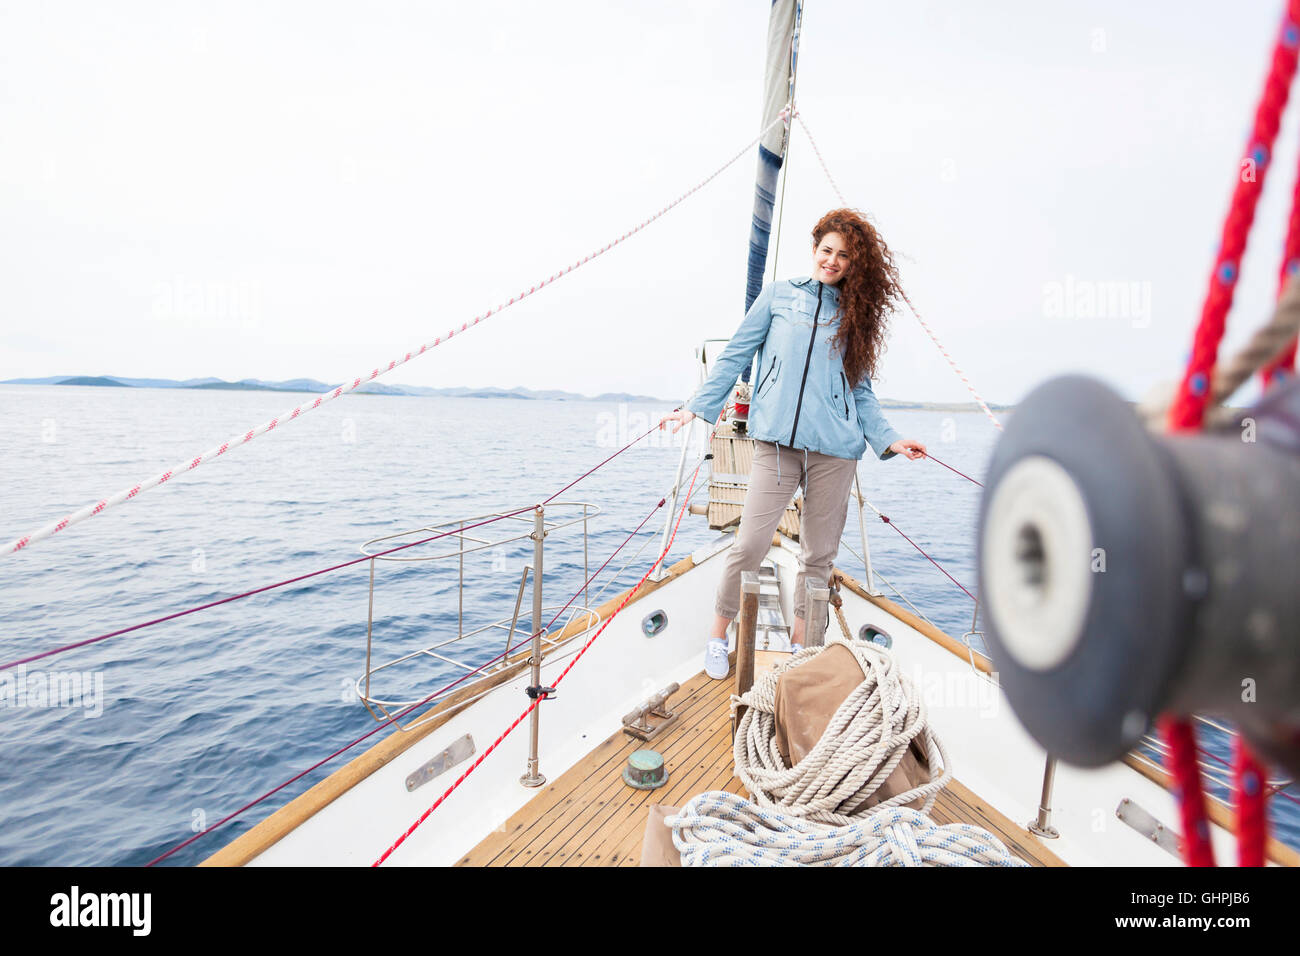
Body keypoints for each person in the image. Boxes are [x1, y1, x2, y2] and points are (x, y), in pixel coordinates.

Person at [659, 208, 926, 679]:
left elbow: (860, 392)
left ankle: (803, 654)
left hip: (835, 453)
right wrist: (695, 407)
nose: (833, 261)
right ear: (814, 249)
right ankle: (718, 637)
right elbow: (736, 353)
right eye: (827, 250)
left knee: (817, 558)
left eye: (844, 256)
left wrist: (890, 440)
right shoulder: (779, 296)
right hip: (777, 445)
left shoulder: (854, 315)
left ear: (854, 263)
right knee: (749, 545)